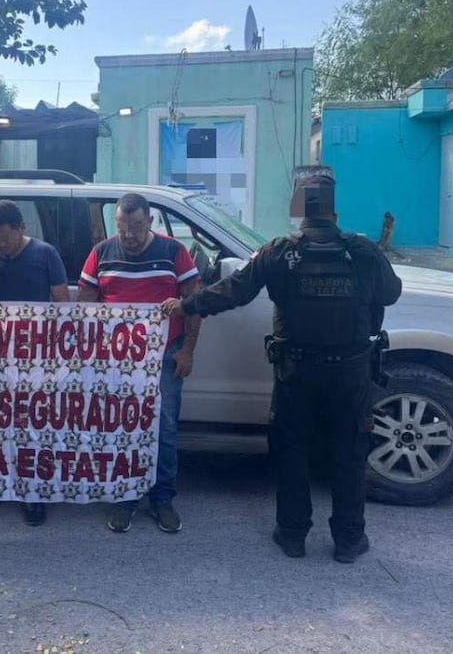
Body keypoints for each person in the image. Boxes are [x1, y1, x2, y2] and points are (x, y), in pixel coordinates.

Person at [163, 173, 402, 563]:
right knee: (348, 452)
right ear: (334, 211)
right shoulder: (361, 251)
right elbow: (391, 294)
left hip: (296, 372)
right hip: (351, 372)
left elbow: (234, 290)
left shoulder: (278, 252)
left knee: (292, 450)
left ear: (299, 214)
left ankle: (292, 535)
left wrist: (186, 305)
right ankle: (348, 540)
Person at [78, 192, 201, 534]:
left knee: (164, 428)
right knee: (121, 427)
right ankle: (125, 497)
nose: (128, 235)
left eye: (135, 226)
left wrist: (187, 349)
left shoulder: (173, 252)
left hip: (164, 355)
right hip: (117, 361)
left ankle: (162, 499)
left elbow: (193, 303)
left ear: (150, 221)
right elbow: (86, 305)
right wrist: (95, 353)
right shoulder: (102, 252)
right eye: (122, 227)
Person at [0, 199, 70, 526]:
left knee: (29, 427)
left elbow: (62, 305)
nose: (1, 245)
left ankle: (31, 494)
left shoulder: (46, 254)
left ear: (22, 229)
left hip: (33, 359)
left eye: (6, 239)